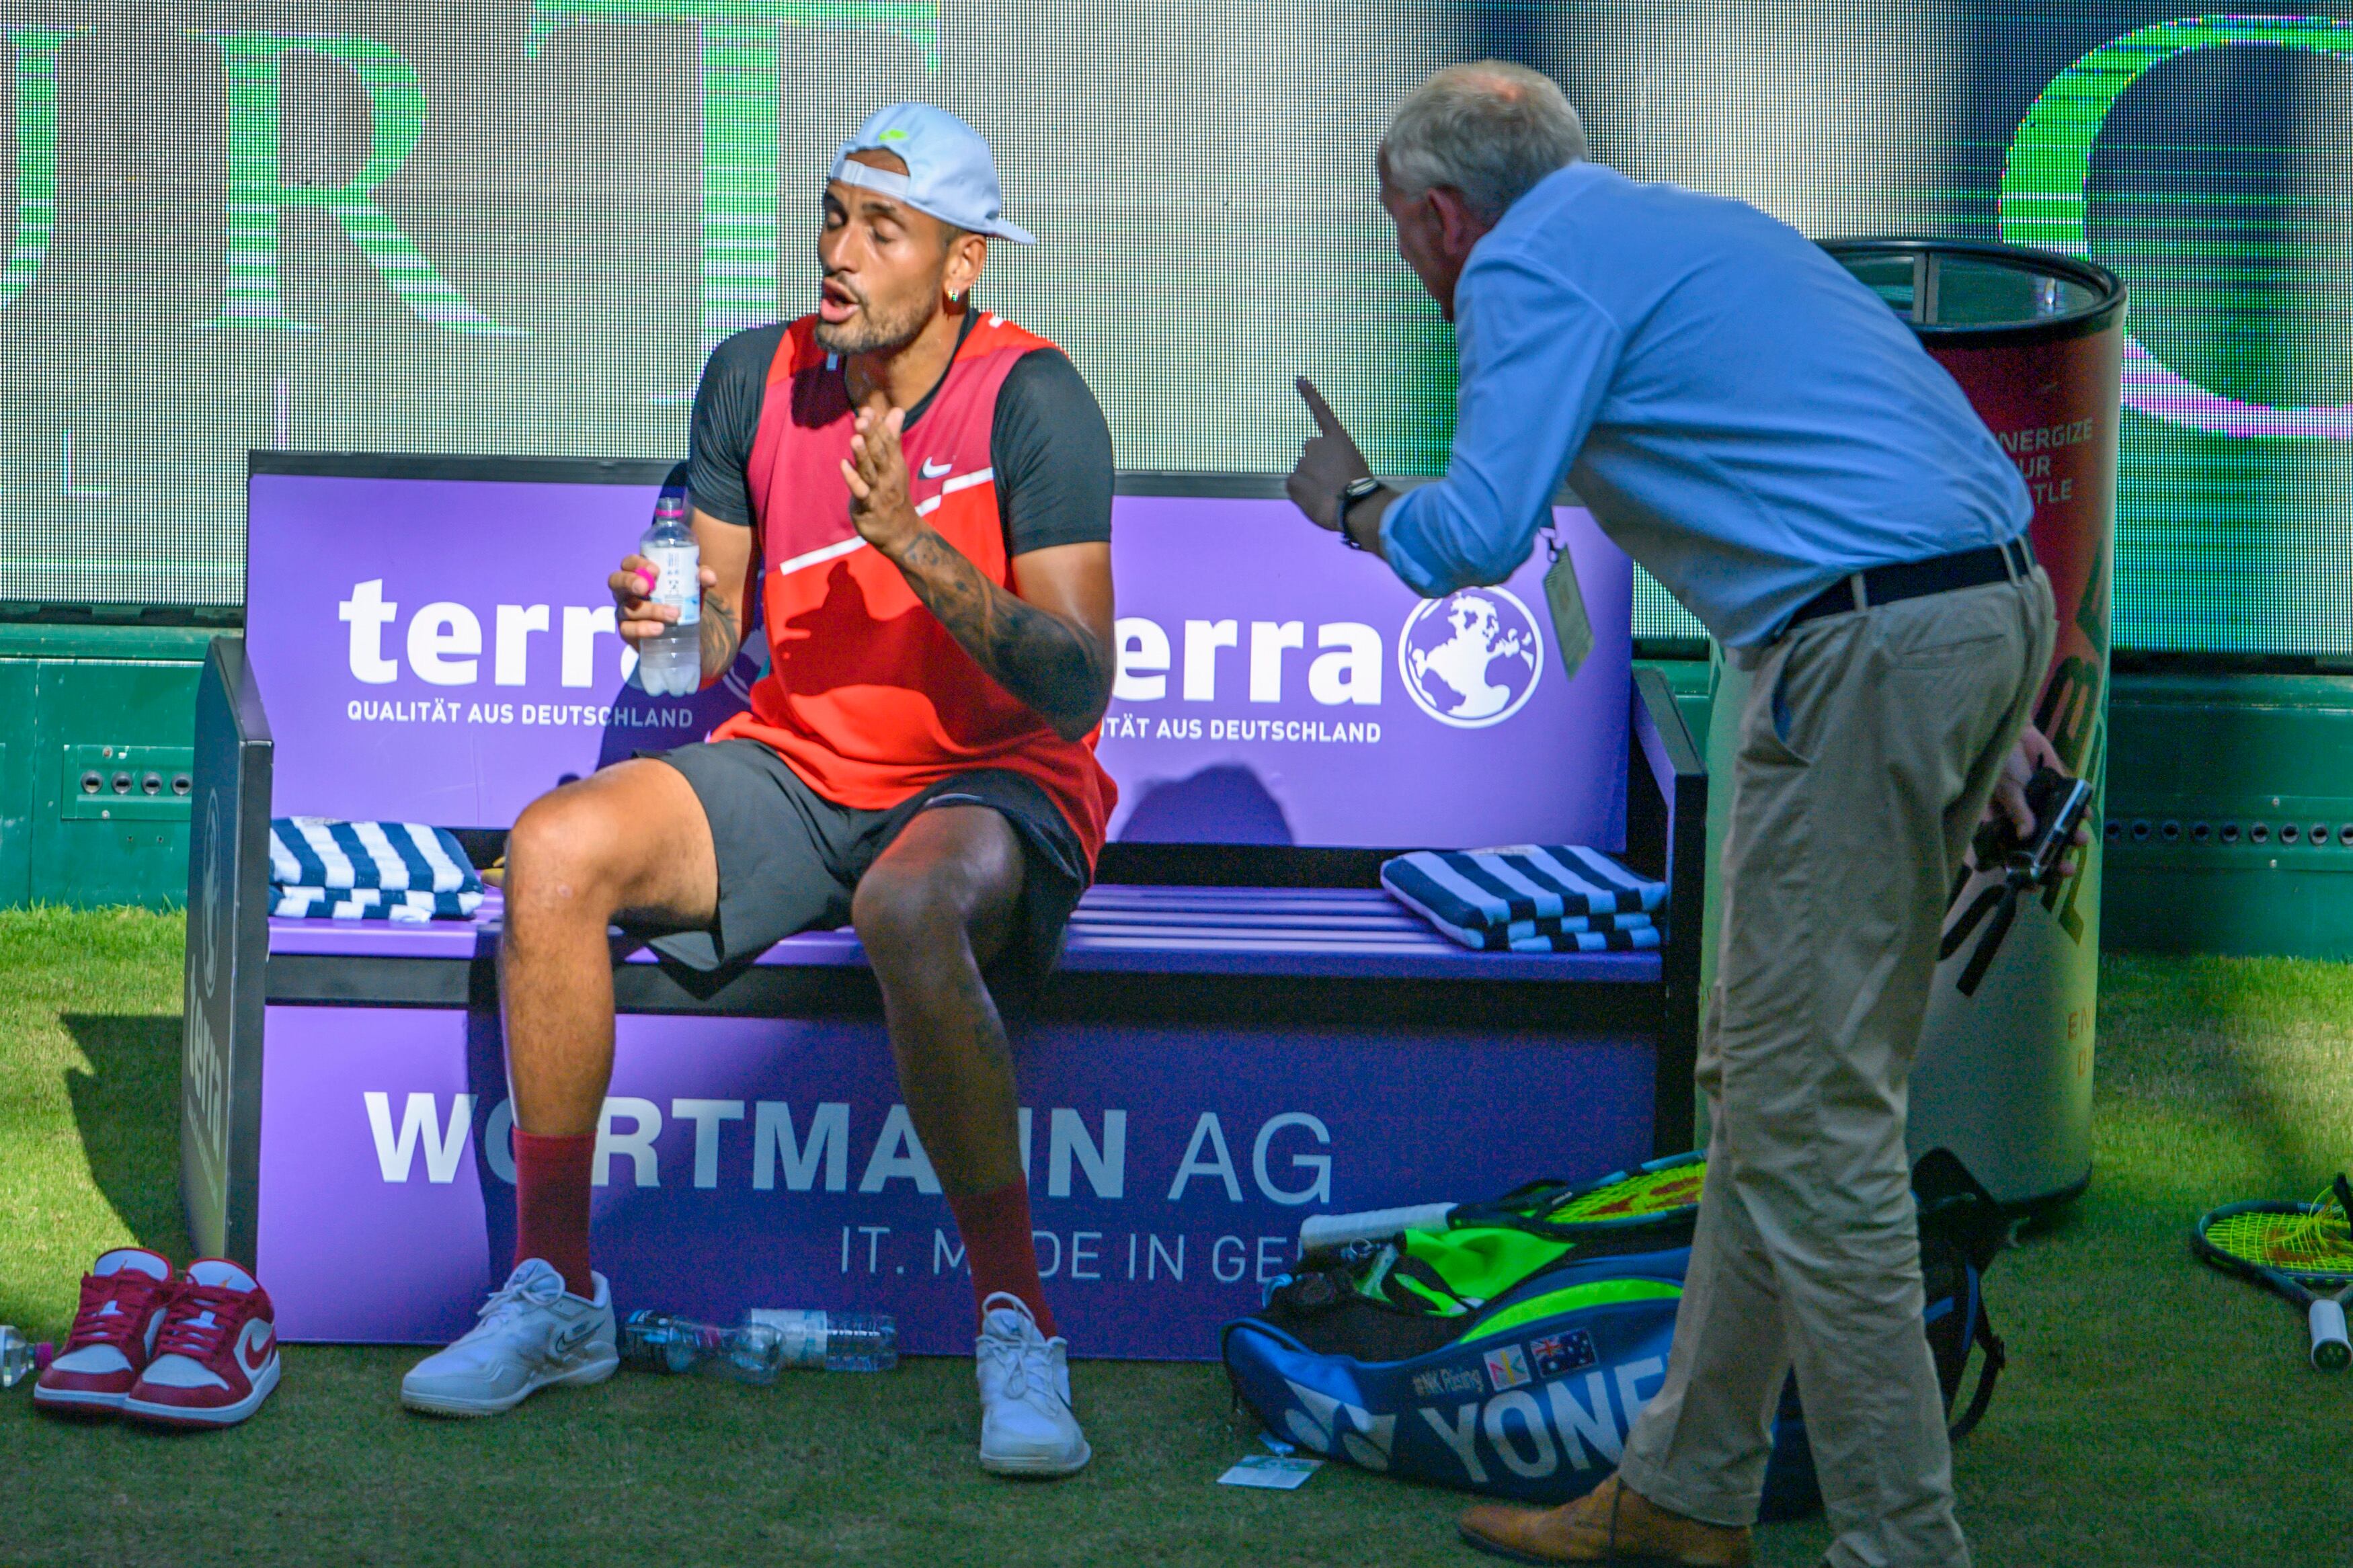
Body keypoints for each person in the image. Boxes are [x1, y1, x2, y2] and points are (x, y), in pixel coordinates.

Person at [1286, 62, 2063, 1568]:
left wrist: (1356, 500)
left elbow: (1474, 538)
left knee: (1812, 1129)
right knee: (1770, 1097)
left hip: (1862, 652)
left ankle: (1902, 1547)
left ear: (1446, 217)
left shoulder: (1520, 268)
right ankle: (1683, 1494)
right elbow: (1913, 471)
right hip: (1964, 616)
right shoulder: (1692, 230)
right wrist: (1973, 691)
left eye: (1397, 226)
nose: (1403, 258)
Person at [399, 103, 1117, 1479]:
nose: (839, 252)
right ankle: (557, 1298)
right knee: (552, 849)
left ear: (962, 264)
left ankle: (1016, 1322)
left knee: (910, 906)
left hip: (991, 778)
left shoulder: (1037, 398)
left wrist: (917, 548)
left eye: (881, 229)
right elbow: (712, 641)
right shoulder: (753, 375)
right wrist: (659, 616)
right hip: (796, 770)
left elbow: (1077, 685)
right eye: (833, 216)